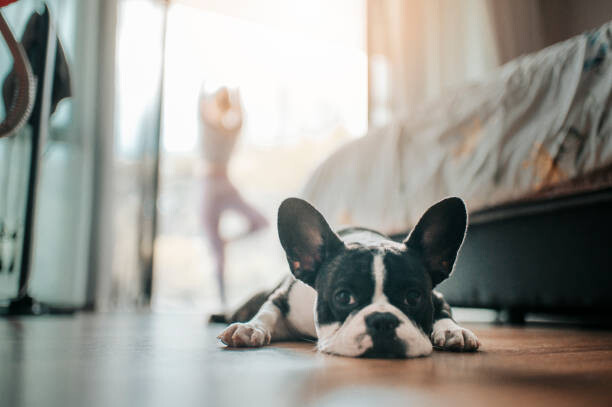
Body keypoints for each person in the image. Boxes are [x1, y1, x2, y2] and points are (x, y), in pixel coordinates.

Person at [199, 86, 268, 308]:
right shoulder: (228, 131)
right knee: (258, 223)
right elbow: (240, 119)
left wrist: (204, 89)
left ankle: (222, 301)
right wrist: (238, 100)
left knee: (217, 248)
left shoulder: (212, 128)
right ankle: (222, 301)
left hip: (211, 186)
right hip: (223, 184)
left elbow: (201, 109)